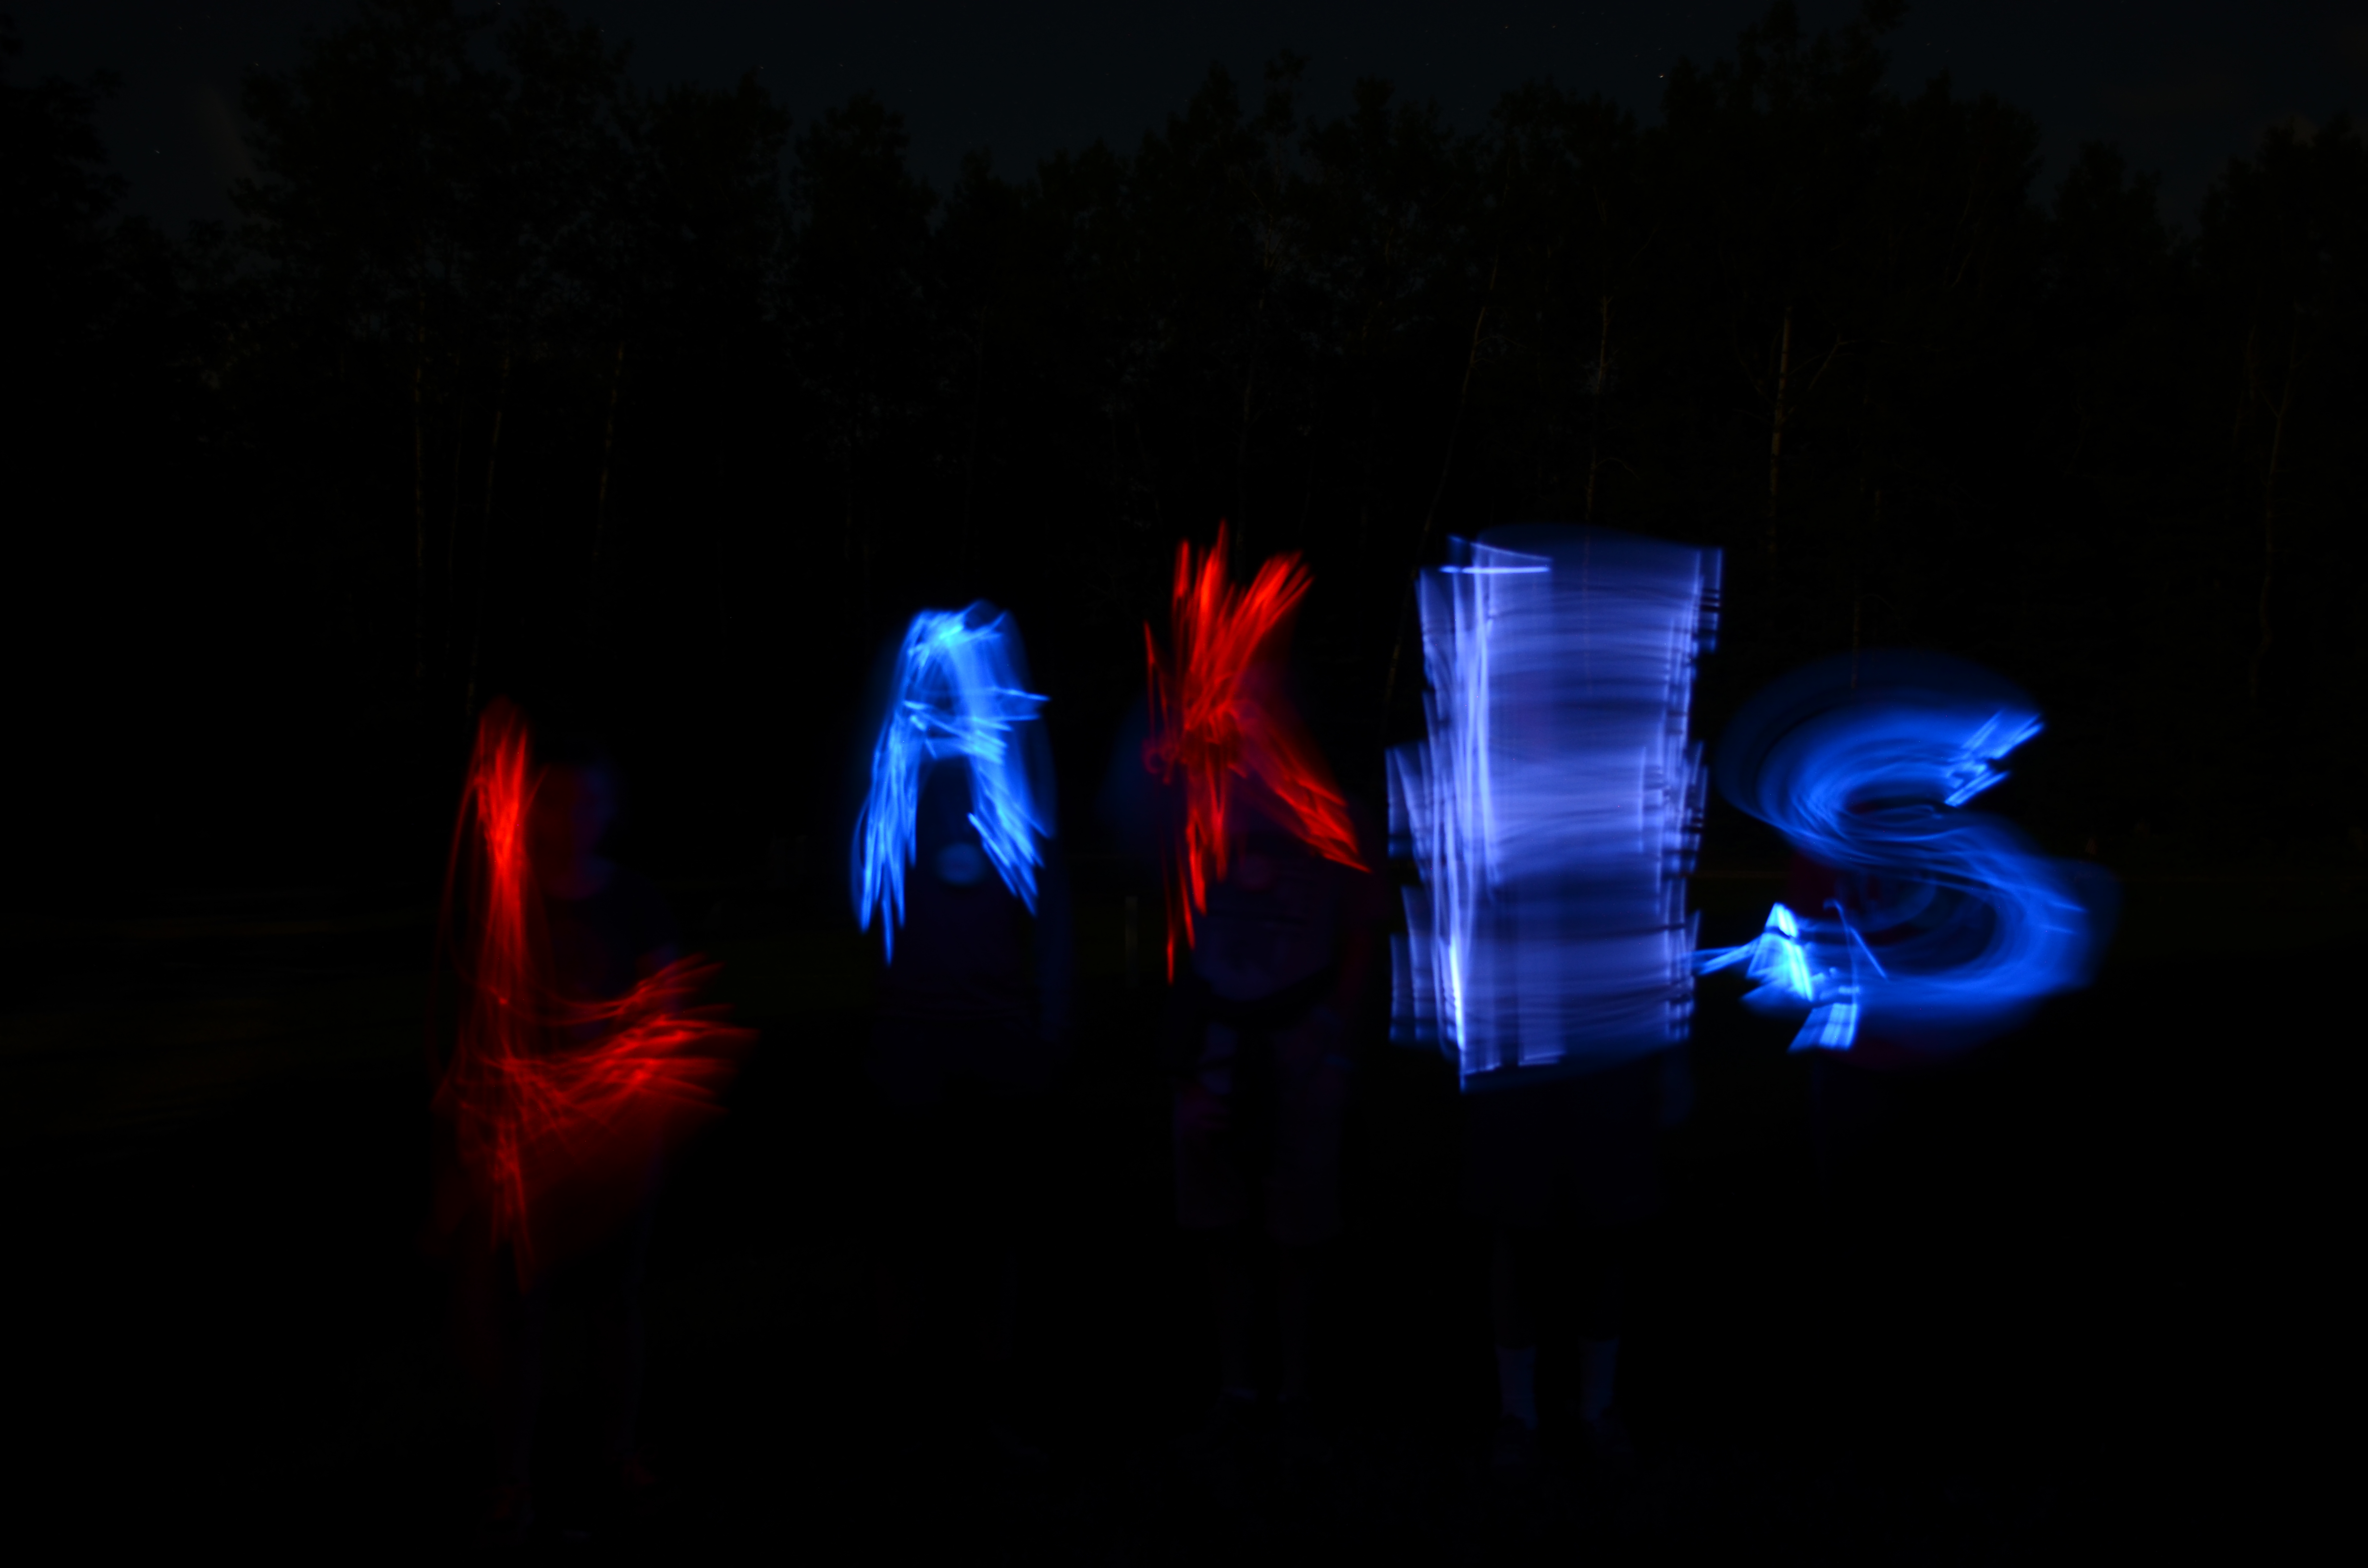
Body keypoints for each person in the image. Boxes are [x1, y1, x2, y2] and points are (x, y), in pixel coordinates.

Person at [427, 707, 743, 1542]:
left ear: (609, 808)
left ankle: (616, 1454)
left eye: (587, 801)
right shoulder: (506, 903)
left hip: (610, 1152)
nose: (572, 818)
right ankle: (513, 1480)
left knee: (616, 1307)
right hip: (527, 1151)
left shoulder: (633, 899)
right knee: (521, 1318)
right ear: (532, 810)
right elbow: (471, 1032)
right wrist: (473, 1137)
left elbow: (668, 1007)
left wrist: (627, 1093)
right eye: (556, 802)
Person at [851, 603, 1073, 1465]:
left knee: (992, 1229)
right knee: (909, 1229)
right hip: (915, 1037)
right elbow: (866, 896)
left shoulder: (1004, 774)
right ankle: (911, 1398)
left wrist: (1048, 1026)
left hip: (994, 1036)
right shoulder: (902, 775)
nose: (949, 686)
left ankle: (987, 1398)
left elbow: (1045, 890)